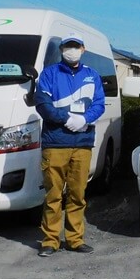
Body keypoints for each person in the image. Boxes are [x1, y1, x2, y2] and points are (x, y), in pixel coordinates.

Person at [35, 33, 105, 257]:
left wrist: (84, 119)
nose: (71, 50)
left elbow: (99, 104)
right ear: (62, 49)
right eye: (67, 46)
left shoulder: (92, 75)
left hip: (82, 143)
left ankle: (75, 239)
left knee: (77, 194)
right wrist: (66, 118)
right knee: (53, 195)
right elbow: (42, 104)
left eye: (76, 46)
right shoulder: (49, 74)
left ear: (83, 49)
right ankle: (50, 240)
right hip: (55, 142)